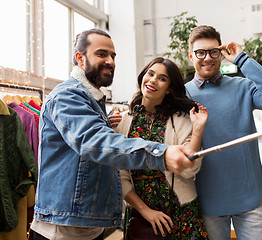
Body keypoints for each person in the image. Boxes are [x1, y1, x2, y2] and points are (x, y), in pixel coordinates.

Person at [30, 28, 195, 240]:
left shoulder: (94, 100)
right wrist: (161, 154)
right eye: (101, 54)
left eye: (113, 56)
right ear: (80, 58)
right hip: (62, 228)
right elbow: (93, 142)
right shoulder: (67, 96)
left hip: (89, 223)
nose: (110, 61)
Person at [185, 25, 262, 240]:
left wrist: (242, 59)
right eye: (200, 52)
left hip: (250, 197)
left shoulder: (243, 87)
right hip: (207, 199)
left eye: (213, 51)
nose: (207, 58)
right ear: (191, 56)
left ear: (221, 53)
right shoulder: (183, 95)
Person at [115, 57, 208, 239]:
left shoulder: (181, 120)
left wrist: (197, 129)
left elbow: (190, 170)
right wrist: (145, 211)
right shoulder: (123, 121)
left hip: (181, 212)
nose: (153, 80)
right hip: (139, 215)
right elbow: (120, 175)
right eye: (150, 74)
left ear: (169, 89)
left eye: (162, 78)